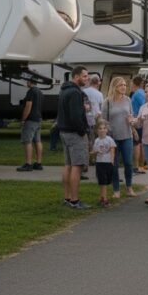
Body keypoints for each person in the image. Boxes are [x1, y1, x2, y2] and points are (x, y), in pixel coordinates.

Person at [57, 65, 91, 209]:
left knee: (68, 165)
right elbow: (76, 116)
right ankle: (75, 200)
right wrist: (83, 131)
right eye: (84, 76)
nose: (87, 78)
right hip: (74, 133)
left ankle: (67, 197)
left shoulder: (64, 91)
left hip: (64, 132)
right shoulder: (76, 93)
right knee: (77, 167)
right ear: (76, 77)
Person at [102, 76, 137, 198]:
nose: (124, 87)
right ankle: (116, 190)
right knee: (114, 164)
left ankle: (129, 188)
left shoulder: (128, 100)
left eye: (125, 85)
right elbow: (103, 121)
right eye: (121, 85)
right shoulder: (107, 101)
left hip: (127, 135)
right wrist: (107, 132)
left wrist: (132, 121)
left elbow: (131, 115)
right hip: (113, 138)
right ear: (115, 87)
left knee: (128, 163)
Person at [16, 78, 44, 172]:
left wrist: (23, 119)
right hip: (38, 118)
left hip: (31, 119)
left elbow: (28, 106)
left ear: (29, 82)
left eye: (27, 81)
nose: (26, 83)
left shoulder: (31, 92)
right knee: (37, 141)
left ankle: (28, 164)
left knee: (27, 141)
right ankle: (39, 163)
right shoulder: (39, 91)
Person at [90, 121, 117, 207]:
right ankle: (104, 198)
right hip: (99, 163)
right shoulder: (97, 140)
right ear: (97, 130)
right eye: (100, 128)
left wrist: (112, 160)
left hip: (108, 163)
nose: (102, 130)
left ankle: (102, 196)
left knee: (107, 180)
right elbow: (94, 151)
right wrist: (92, 153)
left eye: (104, 128)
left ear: (107, 130)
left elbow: (112, 149)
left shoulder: (109, 139)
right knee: (102, 181)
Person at [131, 75, 147, 173]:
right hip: (139, 120)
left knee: (137, 143)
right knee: (140, 143)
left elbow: (144, 106)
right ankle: (142, 165)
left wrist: (139, 119)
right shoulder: (140, 93)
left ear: (134, 83)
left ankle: (137, 166)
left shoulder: (138, 93)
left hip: (138, 121)